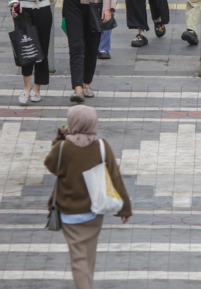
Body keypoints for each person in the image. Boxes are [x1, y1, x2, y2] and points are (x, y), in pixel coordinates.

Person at [45, 105, 132, 289]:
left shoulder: (63, 148)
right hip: (95, 211)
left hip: (69, 212)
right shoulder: (101, 146)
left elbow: (52, 166)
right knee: (89, 254)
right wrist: (125, 208)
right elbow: (115, 177)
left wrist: (59, 139)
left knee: (78, 258)